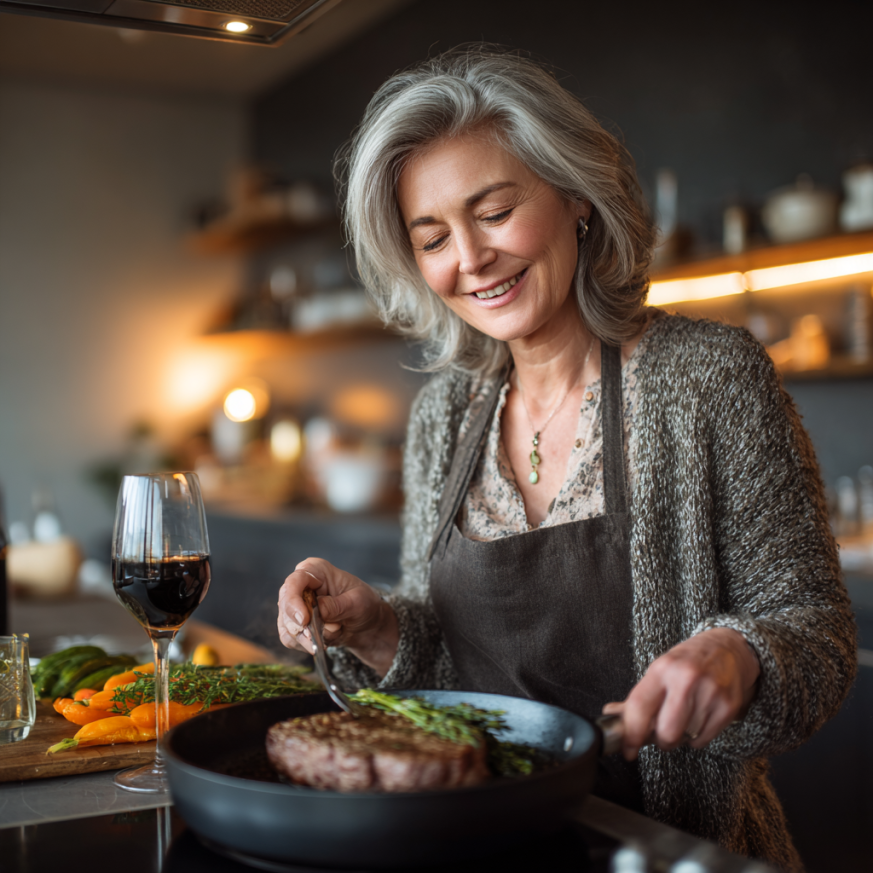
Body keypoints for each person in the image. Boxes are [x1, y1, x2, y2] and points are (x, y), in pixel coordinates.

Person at [277, 46, 856, 869]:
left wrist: (738, 653)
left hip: (668, 849)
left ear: (575, 198)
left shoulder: (707, 379)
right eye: (431, 235)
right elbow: (441, 662)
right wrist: (379, 629)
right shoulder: (445, 414)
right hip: (468, 846)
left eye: (493, 210)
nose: (468, 258)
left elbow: (817, 633)